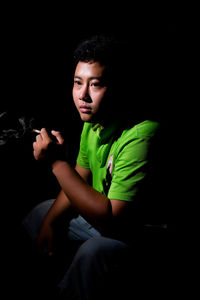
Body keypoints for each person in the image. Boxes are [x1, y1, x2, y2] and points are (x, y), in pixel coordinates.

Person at [22, 34, 165, 299]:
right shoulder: (93, 122)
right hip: (103, 221)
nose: (83, 95)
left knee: (94, 252)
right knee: (40, 214)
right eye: (78, 83)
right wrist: (51, 222)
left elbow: (112, 221)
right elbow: (80, 178)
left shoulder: (142, 135)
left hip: (139, 234)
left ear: (118, 87)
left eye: (95, 84)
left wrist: (56, 163)